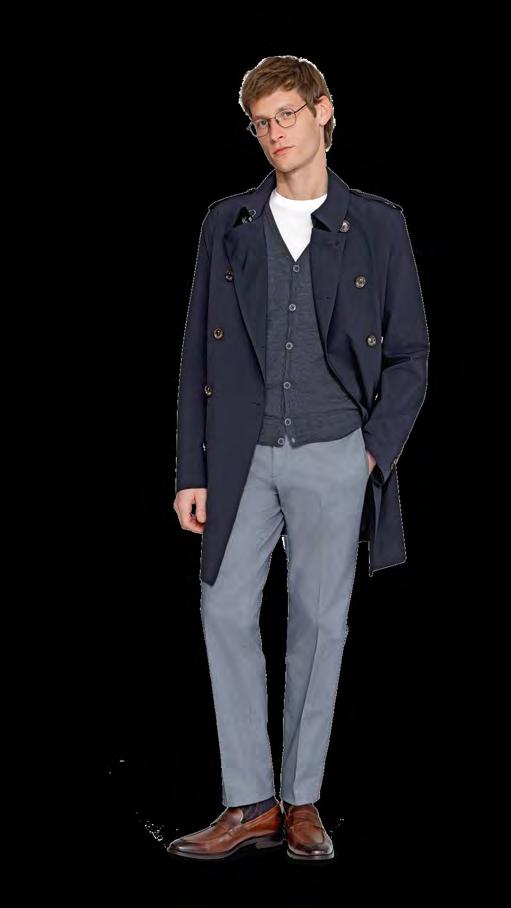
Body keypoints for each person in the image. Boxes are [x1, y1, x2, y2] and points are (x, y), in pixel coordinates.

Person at [168, 55, 429, 861]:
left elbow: (410, 354)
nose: (274, 133)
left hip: (334, 454)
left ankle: (301, 799)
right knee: (222, 611)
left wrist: (369, 456)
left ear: (322, 111)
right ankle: (249, 801)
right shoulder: (228, 223)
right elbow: (197, 352)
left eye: (287, 114)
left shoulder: (377, 223)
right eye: (261, 122)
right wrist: (190, 472)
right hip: (241, 457)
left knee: (319, 625)